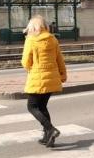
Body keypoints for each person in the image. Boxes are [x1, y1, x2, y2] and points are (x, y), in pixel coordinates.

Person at [21, 15, 67, 148]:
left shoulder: (31, 40)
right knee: (42, 107)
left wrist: (29, 67)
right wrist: (63, 74)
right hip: (52, 78)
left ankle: (51, 129)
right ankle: (47, 137)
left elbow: (25, 62)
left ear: (32, 27)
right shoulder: (53, 39)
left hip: (37, 78)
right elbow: (60, 59)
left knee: (32, 106)